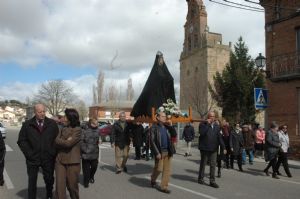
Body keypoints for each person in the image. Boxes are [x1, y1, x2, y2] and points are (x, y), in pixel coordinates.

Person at [17, 104, 59, 199]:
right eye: (40, 112)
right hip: (32, 159)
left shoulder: (52, 124)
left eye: (44, 111)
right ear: (35, 112)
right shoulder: (27, 125)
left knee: (49, 179)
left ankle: (49, 194)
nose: (42, 114)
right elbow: (21, 141)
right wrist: (29, 154)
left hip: (48, 158)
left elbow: (57, 140)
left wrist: (52, 152)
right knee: (32, 181)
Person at [55, 108, 81, 199]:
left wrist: (61, 141)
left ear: (71, 118)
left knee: (72, 187)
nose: (63, 118)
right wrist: (64, 141)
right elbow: (56, 141)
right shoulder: (61, 128)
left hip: (73, 162)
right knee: (59, 188)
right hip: (60, 161)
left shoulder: (77, 130)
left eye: (65, 117)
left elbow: (68, 144)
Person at [150, 109, 176, 194]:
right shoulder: (154, 127)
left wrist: (171, 126)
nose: (165, 118)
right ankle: (153, 179)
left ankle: (164, 187)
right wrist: (157, 152)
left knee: (167, 170)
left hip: (168, 151)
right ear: (157, 117)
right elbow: (152, 141)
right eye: (163, 116)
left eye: (165, 116)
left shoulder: (167, 127)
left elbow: (174, 135)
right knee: (159, 169)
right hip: (160, 152)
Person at [198, 111, 226, 188]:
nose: (212, 118)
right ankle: (200, 178)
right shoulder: (203, 124)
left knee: (213, 165)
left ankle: (212, 181)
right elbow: (202, 133)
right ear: (208, 117)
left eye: (213, 116)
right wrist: (208, 124)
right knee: (203, 164)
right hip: (205, 148)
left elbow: (219, 138)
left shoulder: (217, 126)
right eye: (210, 116)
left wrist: (223, 147)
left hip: (214, 148)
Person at [81, 118, 100, 188]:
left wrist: (99, 141)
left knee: (94, 166)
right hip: (86, 153)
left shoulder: (98, 130)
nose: (96, 125)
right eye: (94, 123)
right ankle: (86, 182)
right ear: (90, 123)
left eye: (97, 124)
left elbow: (98, 139)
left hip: (95, 152)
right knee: (86, 169)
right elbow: (81, 141)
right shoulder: (84, 130)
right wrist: (84, 149)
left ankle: (91, 176)